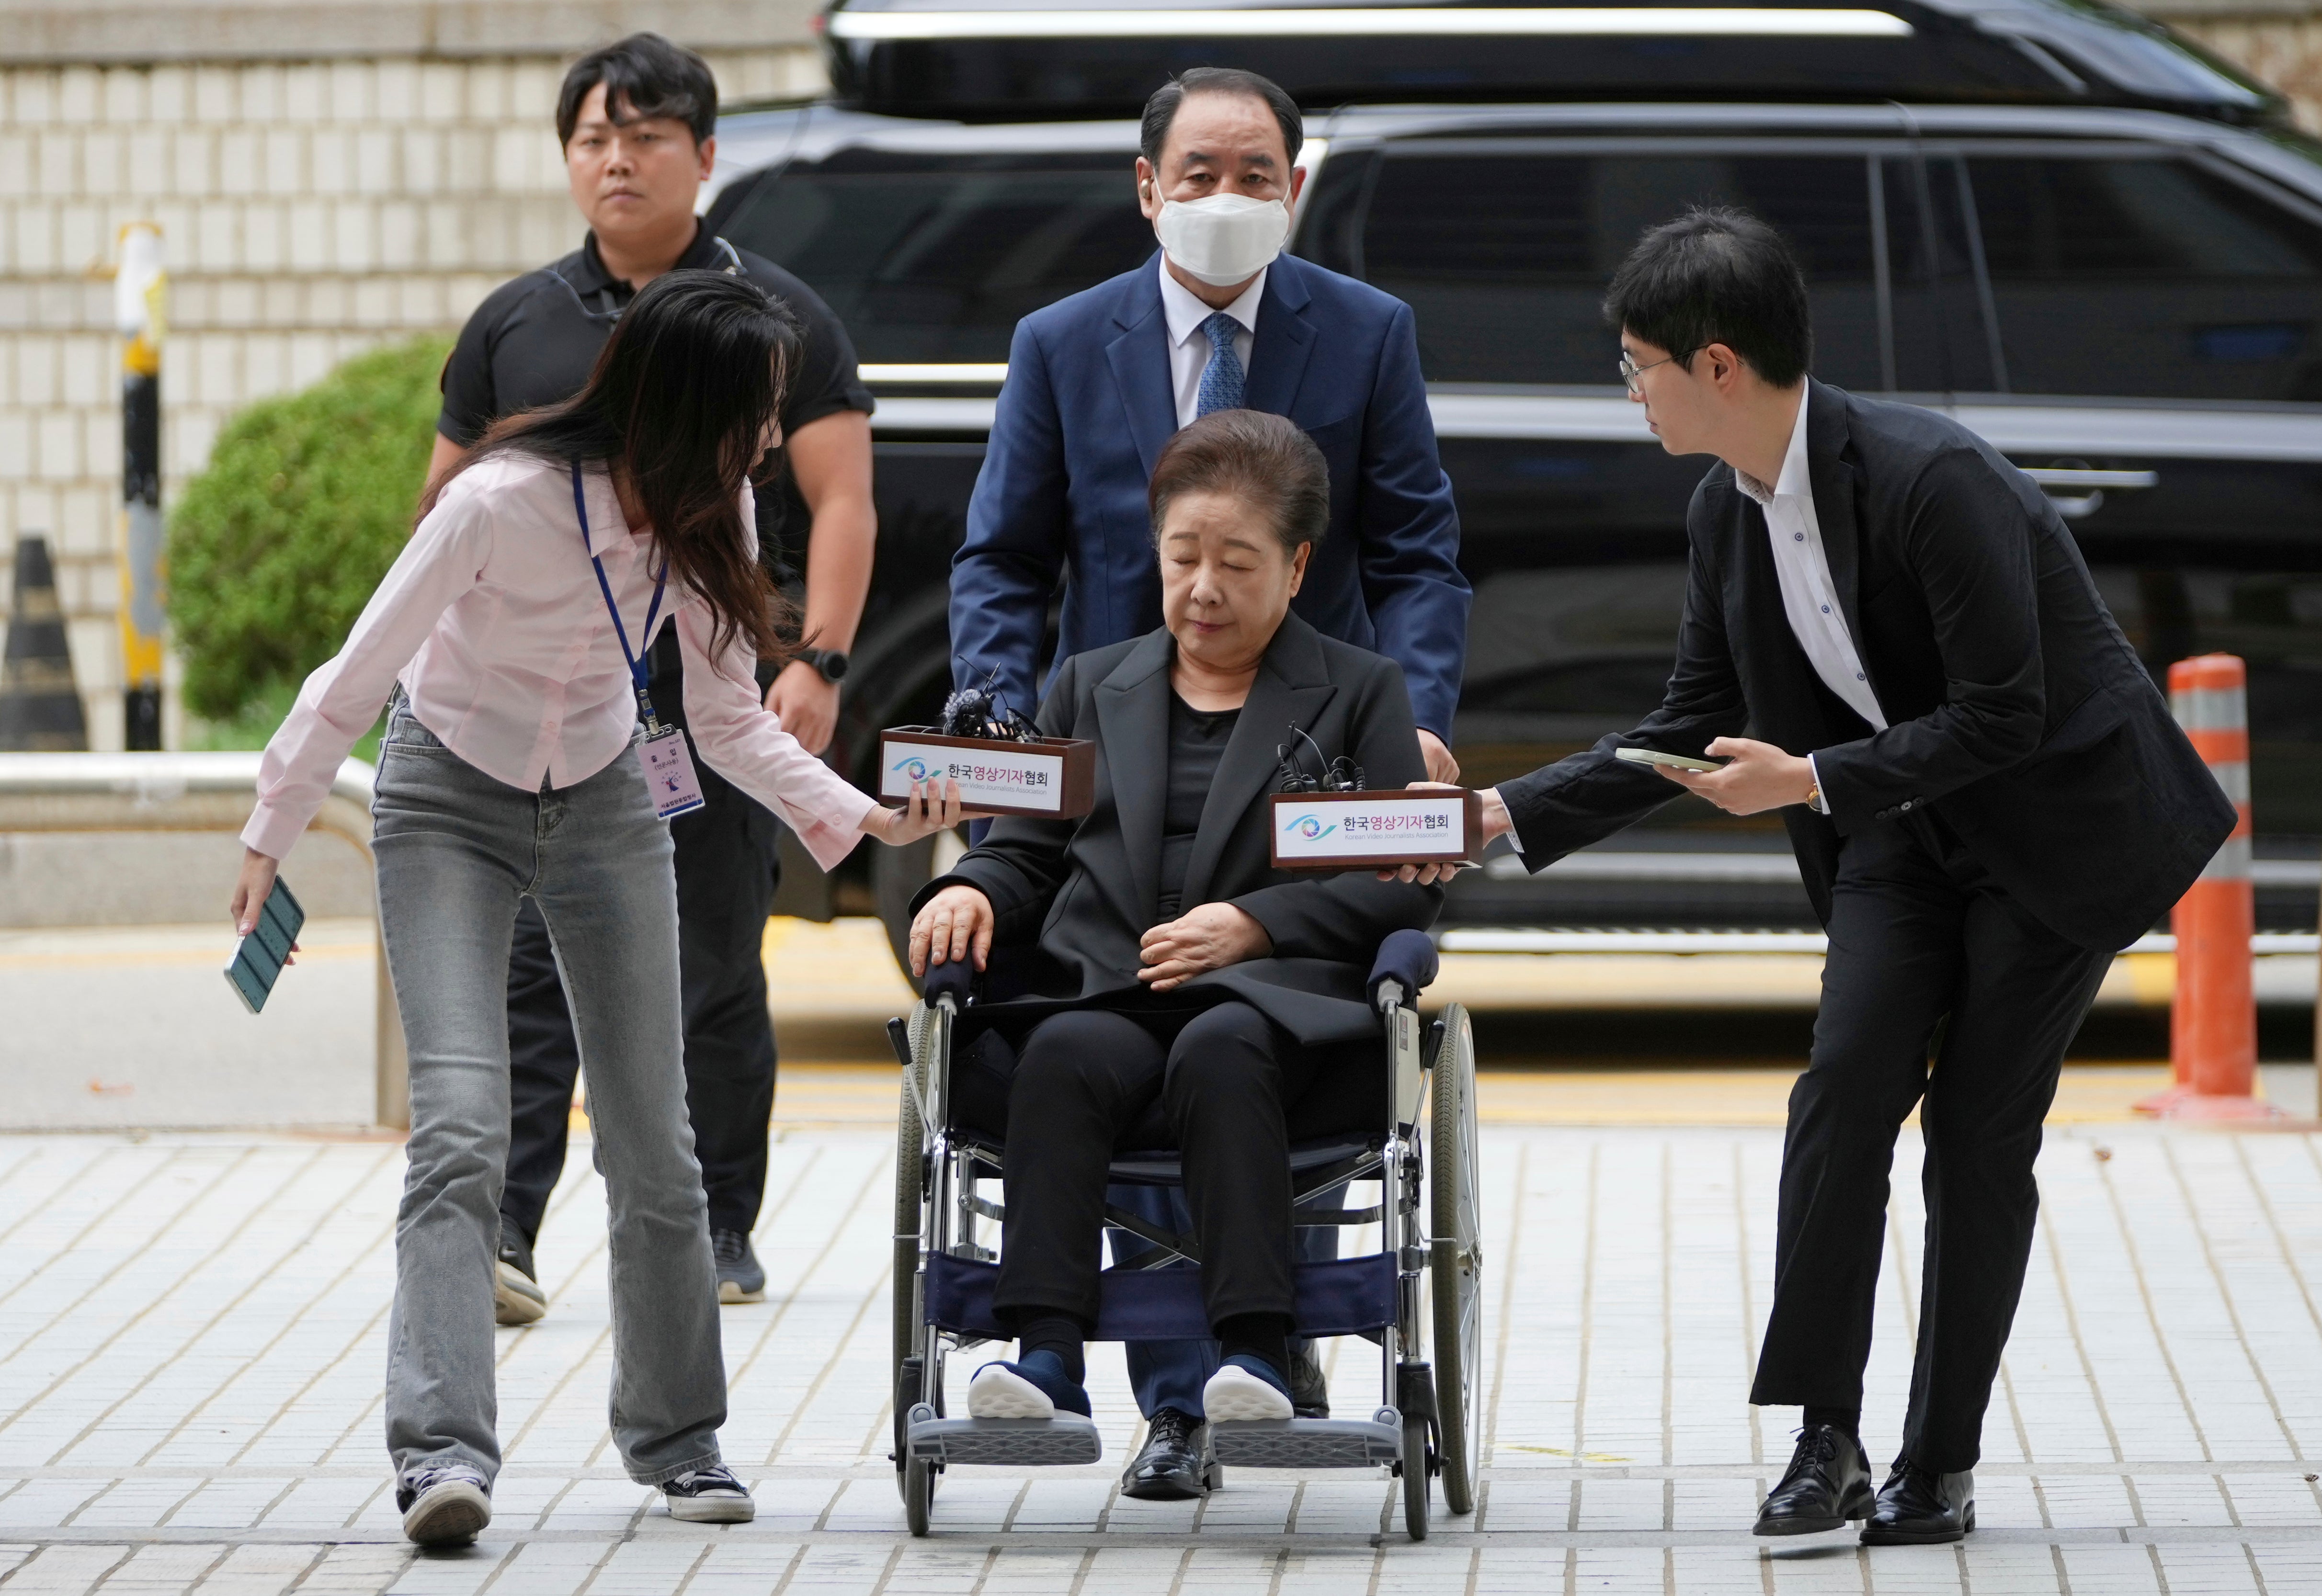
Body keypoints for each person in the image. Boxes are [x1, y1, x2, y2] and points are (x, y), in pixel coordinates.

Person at [1389, 209, 2234, 1546]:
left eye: (1637, 364)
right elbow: (1689, 717)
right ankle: (1824, 1438)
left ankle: (1938, 1462)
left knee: (1976, 1134)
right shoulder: (1724, 513)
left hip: (2050, 827)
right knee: (1841, 1093)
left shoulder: (1931, 479)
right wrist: (1492, 813)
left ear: (1717, 365)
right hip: (1898, 832)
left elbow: (2006, 713)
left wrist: (1811, 779)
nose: (1629, 389)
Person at [228, 272, 964, 1548]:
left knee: (654, 1139)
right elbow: (360, 668)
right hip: (448, 800)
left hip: (611, 796)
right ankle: (440, 1452)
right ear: (687, 405)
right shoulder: (497, 502)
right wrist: (270, 830)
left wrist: (865, 817)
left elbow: (726, 720)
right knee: (462, 1125)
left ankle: (680, 1441)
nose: (770, 443)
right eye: (757, 413)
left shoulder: (714, 508)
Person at [945, 64, 1473, 1497]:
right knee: (1097, 1031)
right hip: (1113, 747)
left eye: (1256, 174)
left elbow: (1417, 551)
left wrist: (1414, 729)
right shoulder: (1064, 341)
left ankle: (1251, 1349)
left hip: (1305, 752)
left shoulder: (1364, 331)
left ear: (1295, 187)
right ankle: (1177, 1396)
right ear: (1148, 187)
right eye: (1200, 173)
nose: (1226, 197)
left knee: (1236, 1044)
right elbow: (1005, 555)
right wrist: (999, 724)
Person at [431, 33, 879, 1317]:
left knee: (715, 962)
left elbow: (841, 499)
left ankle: (721, 1224)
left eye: (645, 135)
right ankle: (508, 1231)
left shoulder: (777, 316)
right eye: (593, 138)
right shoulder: (516, 321)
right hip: (542, 705)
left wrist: (821, 659)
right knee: (532, 966)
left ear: (705, 153)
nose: (616, 160)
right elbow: (445, 506)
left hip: (711, 696)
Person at [910, 409, 1441, 1430]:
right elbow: (1026, 850)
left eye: (1236, 564)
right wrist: (970, 886)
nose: (1203, 588)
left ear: (1296, 567)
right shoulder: (1088, 684)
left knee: (1220, 1047)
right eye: (1182, 557)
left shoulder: (1359, 691)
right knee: (1060, 1052)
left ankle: (1254, 1353)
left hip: (1272, 1007)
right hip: (1112, 988)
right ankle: (1046, 1357)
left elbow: (1402, 879)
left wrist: (1255, 923)